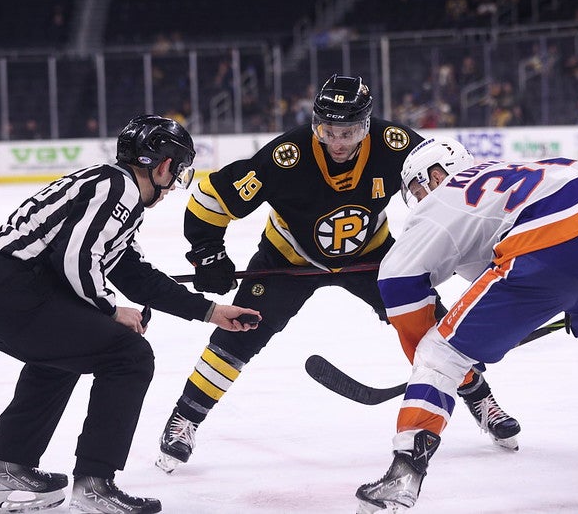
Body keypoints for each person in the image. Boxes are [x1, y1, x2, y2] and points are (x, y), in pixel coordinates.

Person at [156, 75, 522, 474]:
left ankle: (481, 400)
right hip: (288, 261)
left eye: (348, 131)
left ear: (366, 124)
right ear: (316, 124)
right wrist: (208, 256)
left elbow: (455, 180)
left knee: (432, 326)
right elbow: (211, 198)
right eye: (329, 131)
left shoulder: (394, 143)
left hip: (373, 256)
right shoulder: (286, 156)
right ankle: (185, 419)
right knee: (237, 334)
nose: (339, 142)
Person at [355, 137, 578, 513]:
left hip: (543, 252)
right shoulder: (530, 169)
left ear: (436, 174)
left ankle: (405, 470)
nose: (419, 199)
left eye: (417, 189)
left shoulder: (438, 201)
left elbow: (396, 282)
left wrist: (441, 365)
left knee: (438, 353)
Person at [0, 115, 260, 514]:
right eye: (177, 171)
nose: (174, 182)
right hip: (1, 286)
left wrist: (211, 311)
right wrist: (110, 310)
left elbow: (136, 275)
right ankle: (94, 484)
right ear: (163, 166)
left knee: (62, 353)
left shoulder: (109, 192)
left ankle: (9, 465)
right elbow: (77, 258)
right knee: (129, 355)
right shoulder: (117, 187)